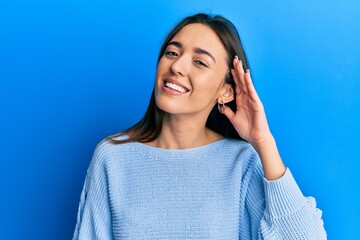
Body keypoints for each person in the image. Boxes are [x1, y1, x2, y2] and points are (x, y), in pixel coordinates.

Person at [73, 13, 326, 239]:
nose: (177, 66)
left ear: (226, 91)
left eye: (200, 62)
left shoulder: (242, 163)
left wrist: (263, 142)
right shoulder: (113, 157)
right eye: (172, 52)